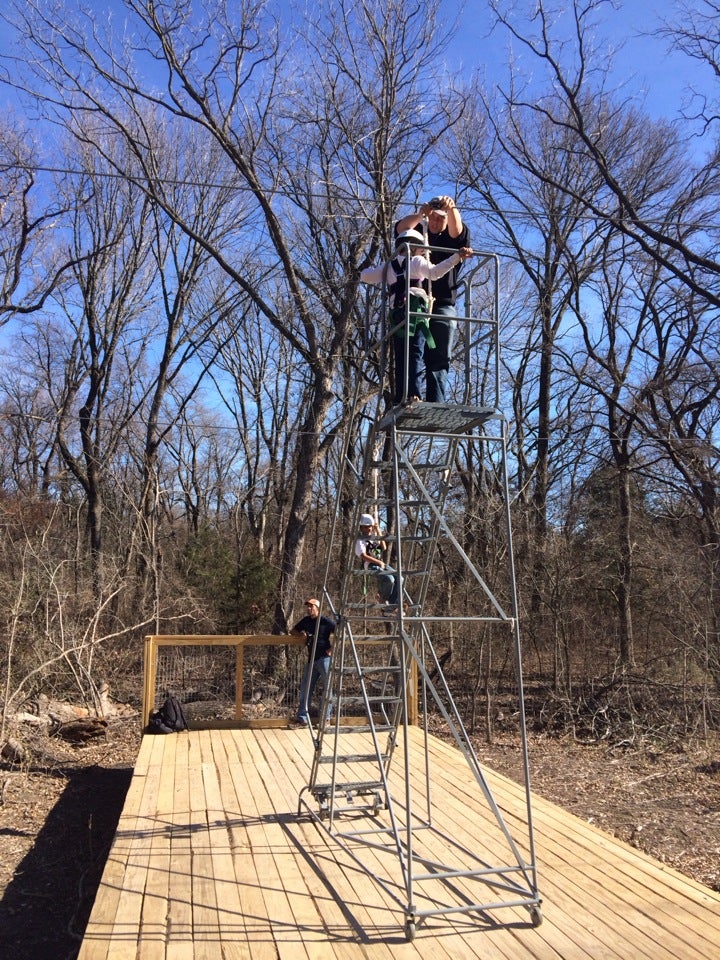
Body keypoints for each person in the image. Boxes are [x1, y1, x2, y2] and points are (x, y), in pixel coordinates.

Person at [360, 228, 473, 404]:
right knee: (415, 352)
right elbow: (435, 273)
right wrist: (456, 257)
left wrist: (360, 268)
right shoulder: (417, 261)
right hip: (415, 313)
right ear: (417, 247)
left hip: (397, 315)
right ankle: (413, 393)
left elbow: (366, 277)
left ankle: (400, 395)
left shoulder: (389, 266)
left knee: (400, 355)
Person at [394, 195, 471, 402]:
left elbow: (458, 231)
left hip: (442, 304)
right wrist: (421, 214)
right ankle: (410, 394)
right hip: (415, 303)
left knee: (439, 355)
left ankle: (436, 400)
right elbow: (401, 229)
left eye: (441, 218)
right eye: (433, 218)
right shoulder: (419, 235)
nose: (436, 222)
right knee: (413, 351)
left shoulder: (452, 238)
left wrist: (452, 207)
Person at [291, 597, 335, 727]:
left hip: (325, 659)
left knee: (327, 689)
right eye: (308, 606)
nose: (309, 609)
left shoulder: (326, 621)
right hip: (312, 660)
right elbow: (292, 630)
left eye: (312, 606)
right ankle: (302, 718)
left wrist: (332, 649)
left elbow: (340, 632)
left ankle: (325, 719)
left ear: (318, 608)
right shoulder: (306, 621)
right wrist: (301, 635)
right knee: (306, 689)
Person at [355, 513, 399, 605]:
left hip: (379, 563)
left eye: (368, 527)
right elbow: (363, 556)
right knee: (389, 579)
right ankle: (382, 597)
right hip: (370, 565)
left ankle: (393, 604)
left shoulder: (373, 539)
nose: (366, 529)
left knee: (399, 578)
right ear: (361, 527)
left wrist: (378, 531)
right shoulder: (360, 540)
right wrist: (379, 562)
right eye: (363, 527)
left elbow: (383, 547)